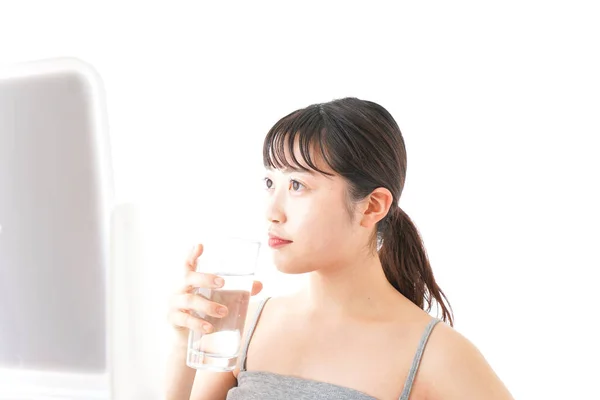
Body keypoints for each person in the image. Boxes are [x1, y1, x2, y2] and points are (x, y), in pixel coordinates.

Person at [165, 98, 514, 399]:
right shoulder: (245, 326)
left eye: (298, 185)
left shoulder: (436, 355)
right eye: (271, 182)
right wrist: (184, 344)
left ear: (373, 206)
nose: (272, 212)